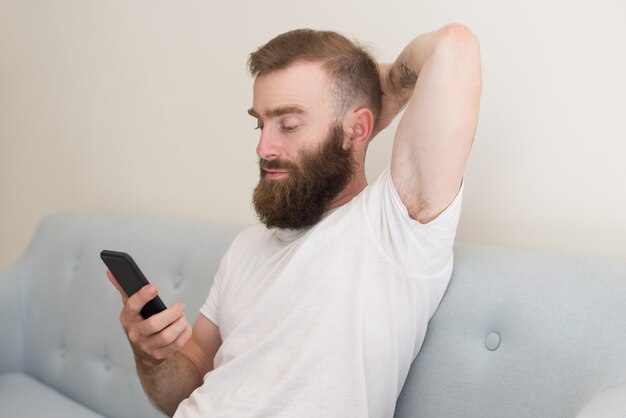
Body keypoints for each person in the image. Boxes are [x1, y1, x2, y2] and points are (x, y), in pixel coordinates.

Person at [107, 23, 481, 417]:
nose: (263, 147)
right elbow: (189, 383)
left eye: (288, 125)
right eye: (260, 123)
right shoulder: (247, 246)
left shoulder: (394, 225)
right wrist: (153, 358)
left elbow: (454, 47)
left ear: (356, 129)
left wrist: (384, 83)